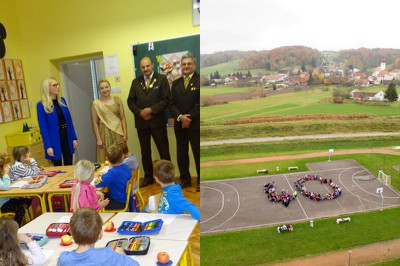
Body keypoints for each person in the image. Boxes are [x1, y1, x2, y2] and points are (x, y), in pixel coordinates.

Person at [127, 56, 171, 188]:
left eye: (147, 66)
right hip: (142, 123)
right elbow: (130, 101)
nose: (145, 69)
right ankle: (148, 177)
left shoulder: (162, 79)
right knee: (145, 152)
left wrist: (151, 110)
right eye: (143, 67)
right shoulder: (136, 82)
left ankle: (167, 177)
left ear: (152, 65)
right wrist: (140, 112)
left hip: (157, 122)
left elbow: (166, 99)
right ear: (140, 68)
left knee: (164, 151)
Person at [57, 207, 139, 266]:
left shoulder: (64, 259)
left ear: (71, 233)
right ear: (100, 234)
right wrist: (121, 255)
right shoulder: (108, 255)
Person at [169, 52, 200, 191]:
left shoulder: (201, 80)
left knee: (198, 153)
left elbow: (201, 102)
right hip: (179, 124)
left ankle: (201, 181)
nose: (186, 66)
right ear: (180, 66)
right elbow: (171, 103)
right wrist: (181, 117)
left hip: (196, 124)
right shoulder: (175, 83)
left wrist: (189, 117)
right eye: (184, 64)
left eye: (189, 64)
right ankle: (185, 180)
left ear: (194, 65)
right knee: (181, 154)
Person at [37, 77, 78, 166]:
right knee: (57, 166)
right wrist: (48, 146)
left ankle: (70, 180)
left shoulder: (62, 101)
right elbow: (43, 128)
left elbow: (69, 122)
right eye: (54, 85)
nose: (57, 87)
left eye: (57, 84)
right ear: (47, 88)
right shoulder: (41, 105)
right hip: (54, 138)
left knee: (69, 163)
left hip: (66, 136)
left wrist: (74, 138)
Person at [91, 79, 128, 163]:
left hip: (118, 132)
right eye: (102, 88)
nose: (105, 90)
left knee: (120, 155)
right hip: (104, 133)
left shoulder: (117, 100)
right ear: (99, 90)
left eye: (106, 87)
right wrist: (98, 139)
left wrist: (125, 134)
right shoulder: (96, 104)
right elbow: (95, 123)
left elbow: (122, 118)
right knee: (106, 157)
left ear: (110, 88)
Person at [95, 144, 132, 210]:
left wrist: (99, 178)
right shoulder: (126, 167)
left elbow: (97, 183)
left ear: (107, 159)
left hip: (117, 202)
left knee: (95, 202)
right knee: (103, 195)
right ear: (122, 157)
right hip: (126, 199)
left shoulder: (111, 173)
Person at [0, 153, 32, 226]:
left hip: (7, 199)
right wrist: (5, 174)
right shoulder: (3, 175)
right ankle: (16, 227)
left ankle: (24, 220)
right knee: (20, 210)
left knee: (27, 200)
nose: (6, 168)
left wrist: (12, 196)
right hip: (2, 204)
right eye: (4, 166)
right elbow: (6, 187)